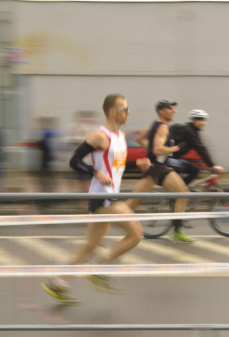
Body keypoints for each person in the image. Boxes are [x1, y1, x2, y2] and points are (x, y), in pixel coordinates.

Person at [42, 94, 150, 305]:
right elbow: (74, 161)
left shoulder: (120, 136)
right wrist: (95, 172)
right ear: (112, 111)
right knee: (136, 234)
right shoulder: (101, 136)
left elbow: (116, 165)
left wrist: (138, 166)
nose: (129, 112)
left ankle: (57, 283)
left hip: (110, 195)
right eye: (125, 108)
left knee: (90, 245)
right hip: (103, 197)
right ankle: (99, 269)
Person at [127, 100, 194, 243]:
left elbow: (140, 139)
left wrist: (150, 151)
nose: (173, 111)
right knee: (183, 193)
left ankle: (105, 221)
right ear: (161, 111)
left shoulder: (154, 124)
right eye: (170, 108)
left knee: (132, 204)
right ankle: (177, 231)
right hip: (158, 167)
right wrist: (176, 148)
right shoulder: (163, 127)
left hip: (151, 167)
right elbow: (158, 150)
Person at [168, 109, 225, 185]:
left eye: (204, 120)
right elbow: (200, 148)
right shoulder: (189, 131)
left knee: (192, 168)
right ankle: (180, 191)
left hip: (174, 158)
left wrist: (208, 164)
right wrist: (213, 165)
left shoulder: (191, 130)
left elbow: (198, 149)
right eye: (199, 120)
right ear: (193, 120)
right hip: (168, 160)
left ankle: (181, 189)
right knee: (194, 170)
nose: (202, 123)